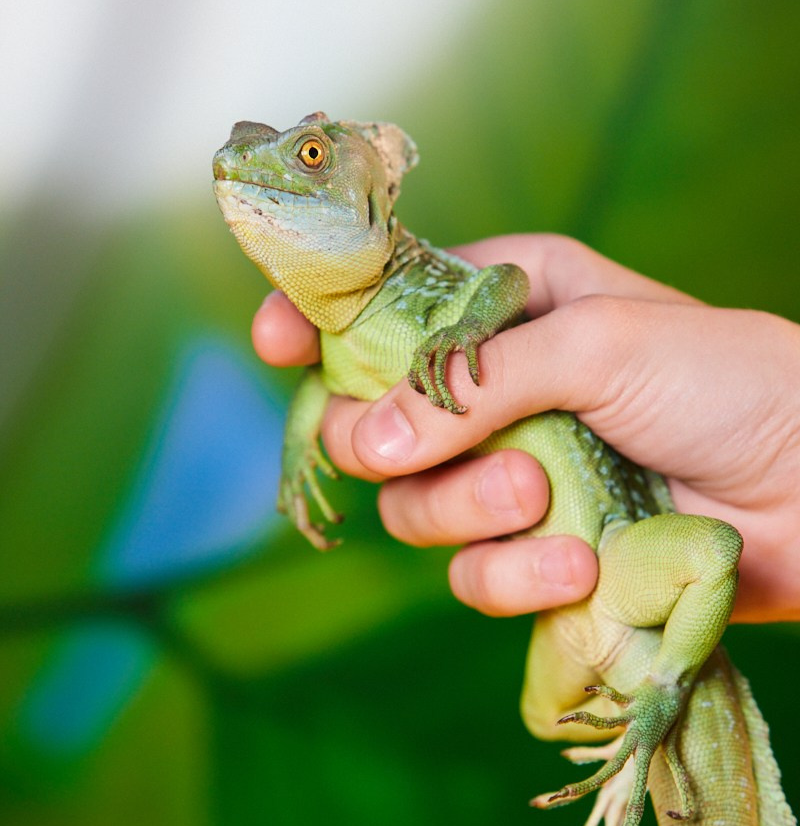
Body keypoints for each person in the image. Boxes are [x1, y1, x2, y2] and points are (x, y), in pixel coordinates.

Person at [252, 233, 800, 624]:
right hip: (623, 578)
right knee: (542, 710)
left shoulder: (419, 290)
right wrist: (299, 446)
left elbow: (510, 280)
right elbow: (318, 384)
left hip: (638, 540)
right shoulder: (329, 347)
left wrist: (473, 326)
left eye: (313, 156)